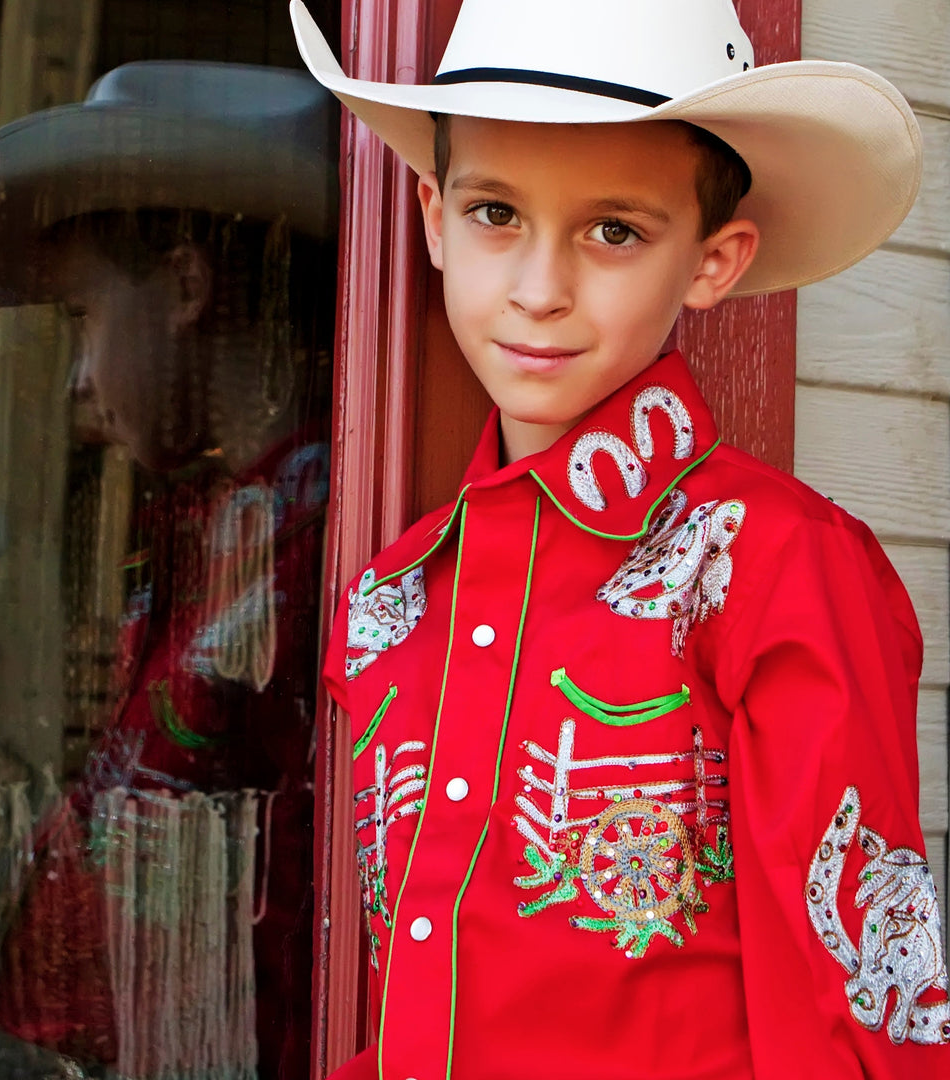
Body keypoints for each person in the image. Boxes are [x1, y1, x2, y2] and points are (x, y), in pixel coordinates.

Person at [288, 0, 950, 1076]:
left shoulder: (770, 566)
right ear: (429, 216)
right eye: (495, 212)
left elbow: (854, 1011)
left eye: (614, 231)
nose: (540, 290)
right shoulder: (388, 608)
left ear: (713, 261)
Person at [0, 62, 337, 1079]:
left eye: (85, 318)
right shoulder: (223, 534)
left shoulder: (305, 555)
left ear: (185, 287)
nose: (80, 379)